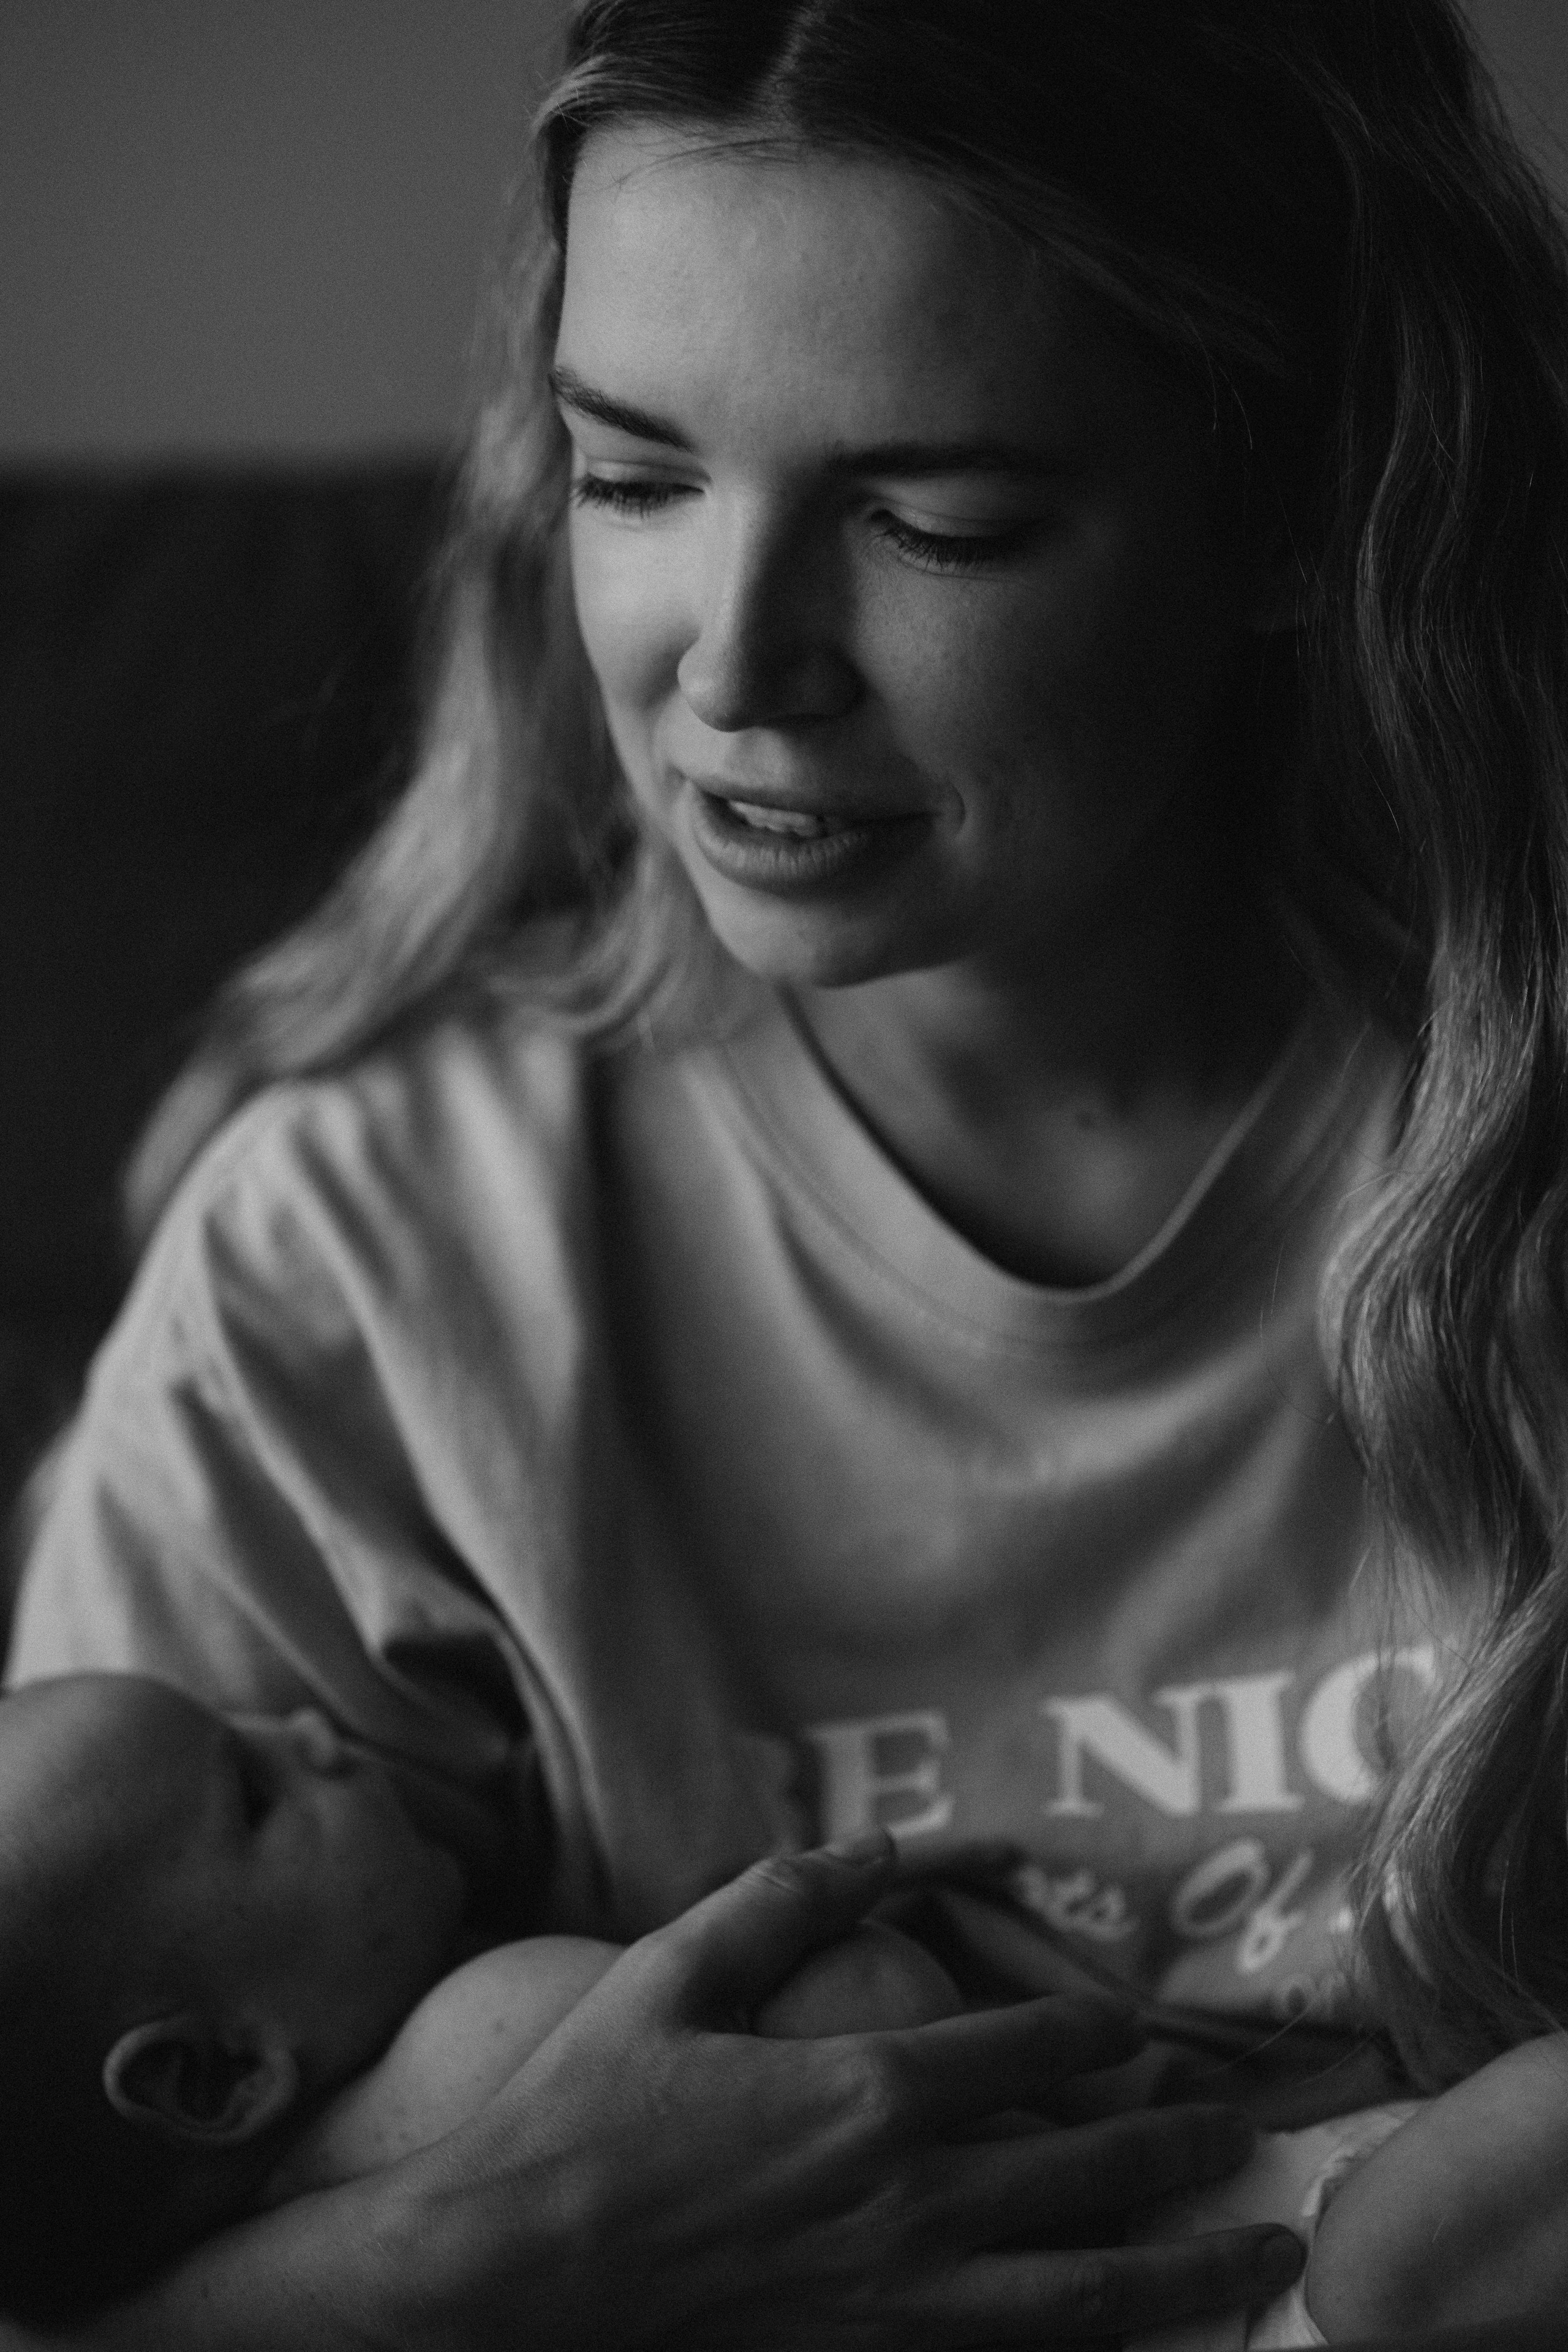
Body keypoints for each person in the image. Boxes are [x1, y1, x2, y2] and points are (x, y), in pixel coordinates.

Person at [9, 0, 1568, 2340]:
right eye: (632, 478)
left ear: (1291, 510)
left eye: (932, 519)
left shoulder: (1505, 1172)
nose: (732, 664)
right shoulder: (359, 1263)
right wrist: (480, 2259)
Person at [0, 1672, 967, 2322]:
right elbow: (878, 2009)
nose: (307, 1728)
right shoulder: (493, 2034)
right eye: (255, 1794)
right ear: (215, 2074)